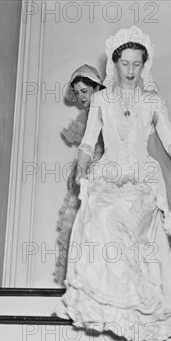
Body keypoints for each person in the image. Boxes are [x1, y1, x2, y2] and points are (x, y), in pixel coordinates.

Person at [53, 26, 171, 341]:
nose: (130, 70)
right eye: (124, 63)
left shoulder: (153, 101)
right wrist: (82, 168)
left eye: (136, 64)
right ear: (115, 65)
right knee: (98, 220)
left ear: (145, 65)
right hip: (107, 175)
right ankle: (113, 305)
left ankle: (138, 305)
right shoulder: (100, 99)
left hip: (142, 179)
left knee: (124, 222)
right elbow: (88, 142)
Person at [53, 65, 105, 284]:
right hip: (87, 173)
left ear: (96, 88)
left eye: (85, 91)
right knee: (78, 224)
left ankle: (96, 280)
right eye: (77, 92)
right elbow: (86, 147)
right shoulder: (86, 116)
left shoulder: (106, 109)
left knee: (99, 225)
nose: (80, 96)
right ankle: (80, 281)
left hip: (105, 172)